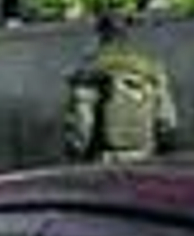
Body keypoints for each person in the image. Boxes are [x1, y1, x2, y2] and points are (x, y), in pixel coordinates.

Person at [65, 13, 178, 163]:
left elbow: (82, 124)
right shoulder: (151, 69)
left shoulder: (90, 71)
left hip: (106, 160)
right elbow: (167, 120)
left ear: (100, 35)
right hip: (146, 156)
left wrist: (76, 155)